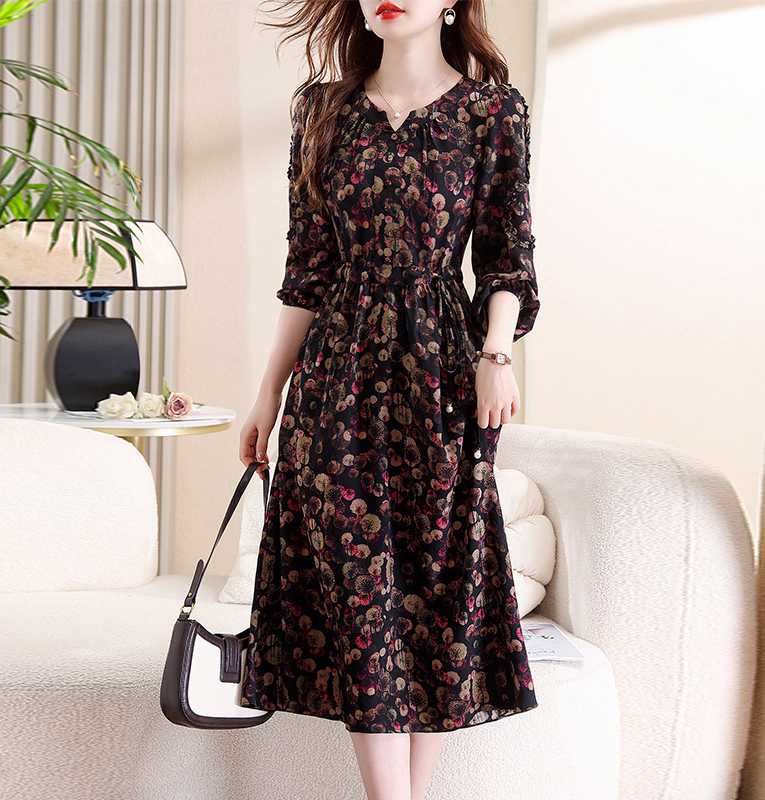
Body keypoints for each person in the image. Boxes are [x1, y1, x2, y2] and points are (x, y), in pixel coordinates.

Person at [238, 2, 540, 798]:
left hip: (444, 376)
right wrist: (269, 392)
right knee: (357, 581)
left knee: (438, 581)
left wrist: (496, 354)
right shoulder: (322, 111)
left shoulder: (491, 112)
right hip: (335, 377)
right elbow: (308, 270)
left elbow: (508, 257)